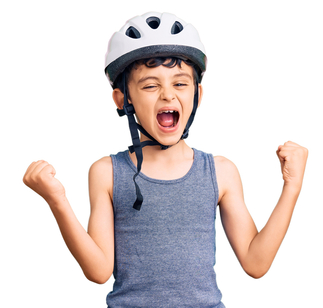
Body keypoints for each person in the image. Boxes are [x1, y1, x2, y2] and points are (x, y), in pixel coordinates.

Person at [23, 12, 308, 307]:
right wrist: (57, 200)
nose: (167, 95)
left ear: (197, 94)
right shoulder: (107, 172)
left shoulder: (220, 172)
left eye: (180, 84)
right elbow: (98, 271)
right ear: (123, 100)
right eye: (150, 86)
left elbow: (255, 262)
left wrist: (292, 187)